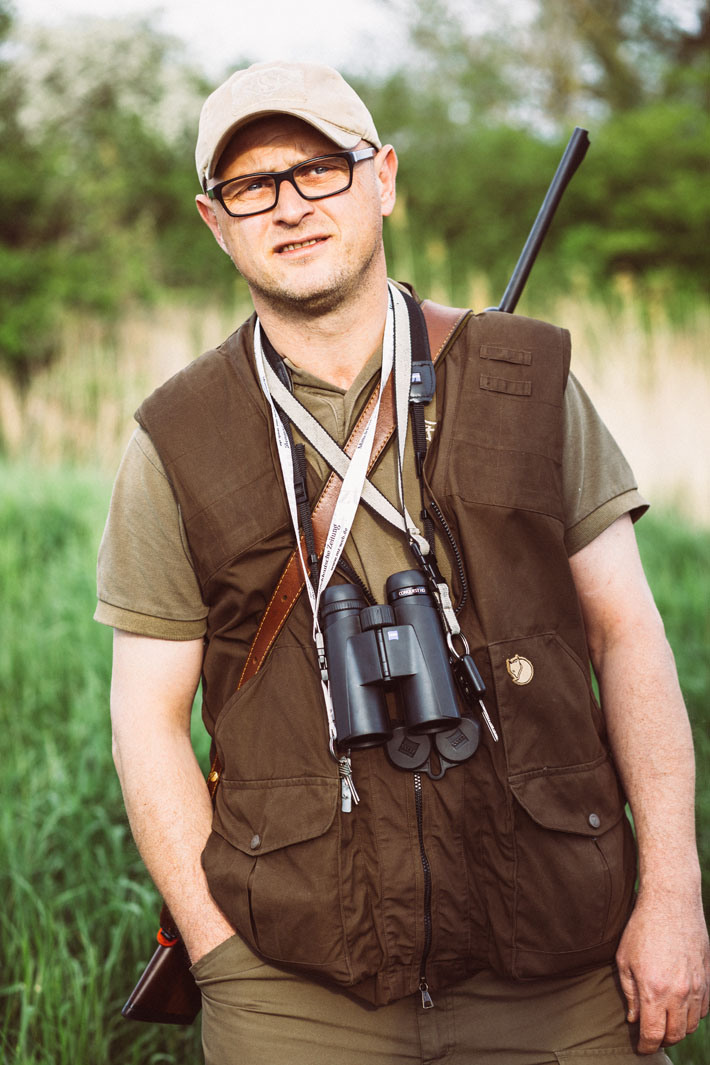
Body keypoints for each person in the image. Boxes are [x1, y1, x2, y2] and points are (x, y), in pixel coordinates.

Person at [97, 61, 708, 1065]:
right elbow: (145, 716)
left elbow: (627, 633)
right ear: (216, 223)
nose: (289, 207)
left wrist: (672, 893)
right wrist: (218, 955)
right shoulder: (177, 437)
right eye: (251, 186)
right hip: (297, 984)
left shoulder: (524, 380)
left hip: (553, 964)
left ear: (381, 177)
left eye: (319, 170)